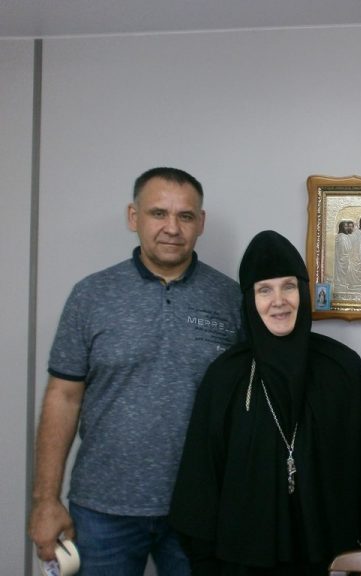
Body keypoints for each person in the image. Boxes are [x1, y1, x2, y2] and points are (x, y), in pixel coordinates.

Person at [29, 167, 244, 576]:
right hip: (102, 511)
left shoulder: (230, 299)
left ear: (200, 223)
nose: (172, 228)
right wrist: (45, 501)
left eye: (185, 216)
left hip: (200, 509)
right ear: (133, 217)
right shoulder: (91, 295)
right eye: (158, 213)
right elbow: (63, 397)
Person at [169, 230, 361, 576]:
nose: (279, 301)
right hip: (242, 561)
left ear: (303, 292)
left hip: (328, 556)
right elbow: (202, 475)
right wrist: (204, 561)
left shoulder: (342, 368)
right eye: (265, 290)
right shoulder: (226, 375)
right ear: (250, 300)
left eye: (288, 286)